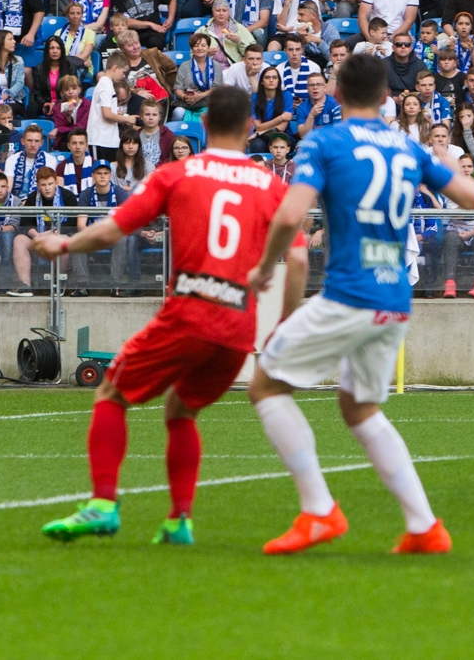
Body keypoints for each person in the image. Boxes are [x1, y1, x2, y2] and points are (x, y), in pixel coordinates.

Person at [33, 87, 306, 545]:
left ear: (202, 127)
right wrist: (282, 329)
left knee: (110, 393)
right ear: (248, 128)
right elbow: (297, 262)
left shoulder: (178, 173)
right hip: (238, 329)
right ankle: (179, 520)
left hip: (188, 314)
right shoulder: (273, 187)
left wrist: (62, 244)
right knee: (182, 408)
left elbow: (113, 229)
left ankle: (102, 504)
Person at [244, 54, 474, 555]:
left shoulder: (326, 141)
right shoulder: (406, 146)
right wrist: (439, 159)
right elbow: (471, 198)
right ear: (386, 98)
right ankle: (424, 527)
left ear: (335, 94)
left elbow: (291, 213)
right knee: (359, 407)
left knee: (266, 383)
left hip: (350, 294)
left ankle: (319, 511)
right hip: (395, 296)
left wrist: (266, 266)